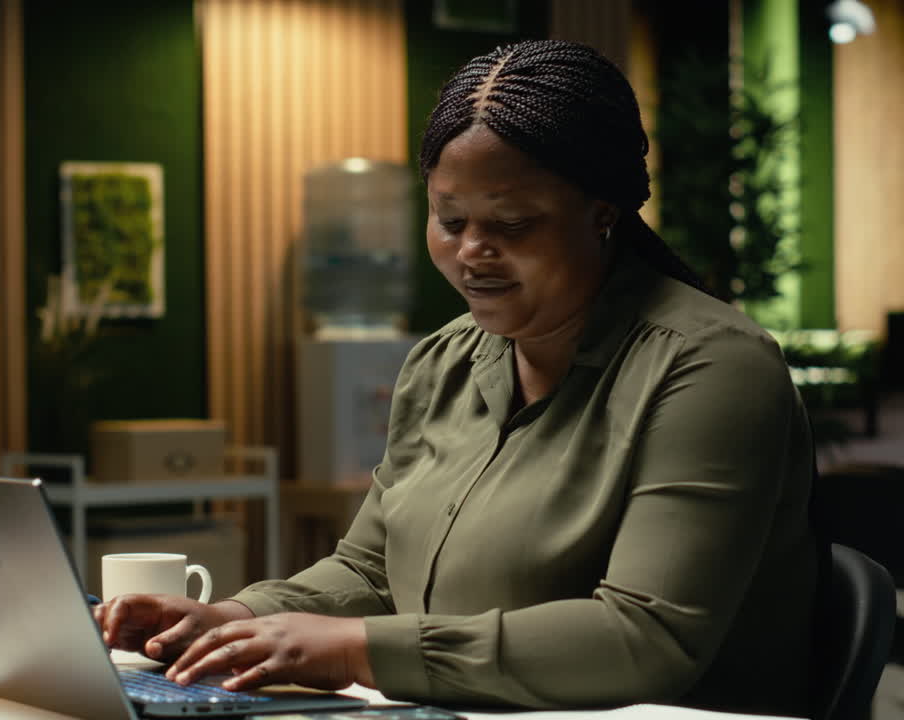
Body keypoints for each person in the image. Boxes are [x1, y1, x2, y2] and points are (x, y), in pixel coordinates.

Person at [95, 39, 818, 716]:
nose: (473, 251)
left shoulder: (711, 367)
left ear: (603, 214)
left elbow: (646, 638)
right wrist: (232, 620)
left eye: (513, 223)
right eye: (450, 219)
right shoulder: (445, 361)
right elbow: (372, 570)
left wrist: (354, 649)